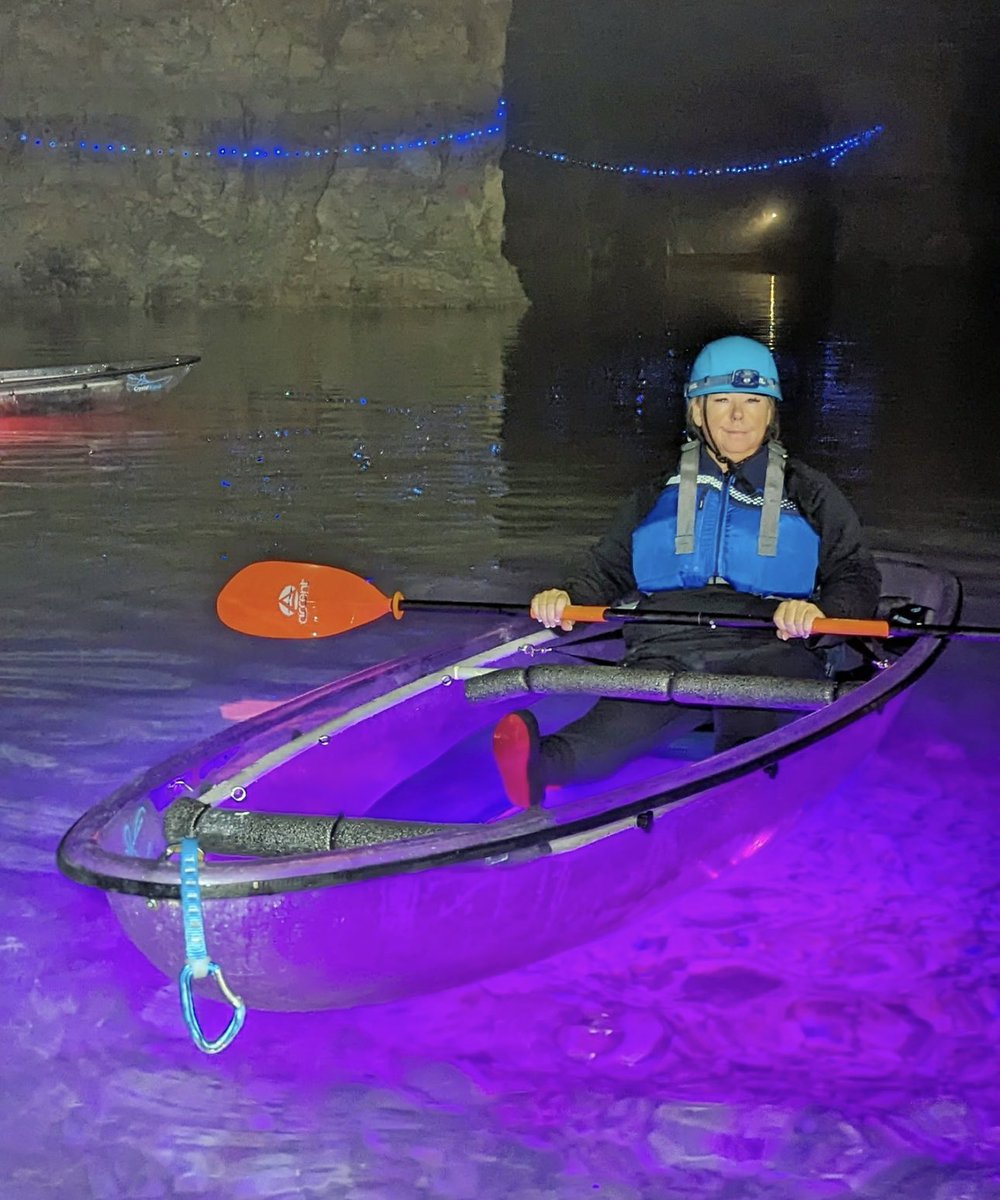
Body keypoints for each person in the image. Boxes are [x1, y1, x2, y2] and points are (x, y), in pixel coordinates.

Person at [492, 334, 881, 808]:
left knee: (746, 721)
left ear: (770, 413)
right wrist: (568, 598)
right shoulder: (657, 494)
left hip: (768, 642)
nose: (738, 415)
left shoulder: (812, 493)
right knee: (613, 728)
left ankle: (732, 799)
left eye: (753, 401)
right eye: (721, 400)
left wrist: (820, 613)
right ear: (698, 412)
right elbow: (607, 568)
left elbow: (856, 574)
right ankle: (540, 767)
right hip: (668, 643)